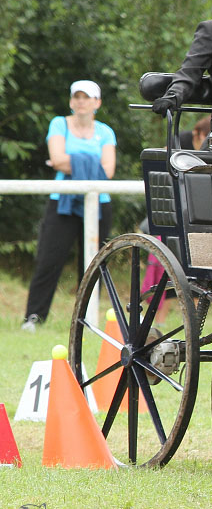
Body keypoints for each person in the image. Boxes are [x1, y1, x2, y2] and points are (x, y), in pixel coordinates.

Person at [22, 80, 116, 331]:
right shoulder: (58, 124)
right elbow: (56, 159)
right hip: (61, 201)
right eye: (77, 96)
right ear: (71, 100)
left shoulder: (105, 131)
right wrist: (88, 162)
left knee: (93, 264)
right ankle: (33, 317)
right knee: (48, 260)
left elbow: (108, 171)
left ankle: (87, 322)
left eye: (87, 97)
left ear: (97, 102)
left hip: (98, 202)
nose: (81, 101)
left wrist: (70, 160)